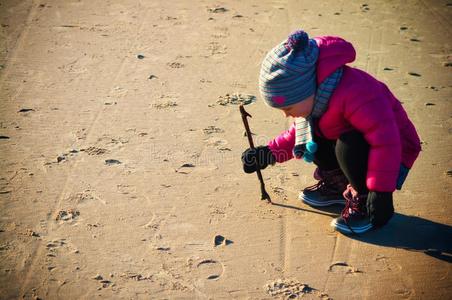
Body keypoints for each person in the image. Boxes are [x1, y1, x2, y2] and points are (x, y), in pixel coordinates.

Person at [241, 30, 421, 234]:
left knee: (348, 144)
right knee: (311, 133)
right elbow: (295, 137)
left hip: (392, 153)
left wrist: (381, 192)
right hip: (365, 148)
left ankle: (364, 199)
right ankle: (339, 184)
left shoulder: (358, 92)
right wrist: (268, 154)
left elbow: (386, 141)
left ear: (305, 91)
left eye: (287, 108)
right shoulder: (317, 98)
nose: (286, 115)